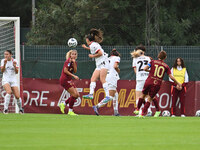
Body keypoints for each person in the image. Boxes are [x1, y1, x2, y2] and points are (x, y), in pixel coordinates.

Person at [137, 50, 182, 117]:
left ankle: (137, 109)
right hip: (157, 83)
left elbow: (145, 68)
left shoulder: (152, 62)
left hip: (149, 81)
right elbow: (171, 76)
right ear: (165, 58)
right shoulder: (166, 66)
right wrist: (178, 82)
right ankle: (142, 113)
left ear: (158, 56)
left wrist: (151, 71)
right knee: (149, 99)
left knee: (142, 95)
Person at [82, 28, 111, 102]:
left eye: (86, 39)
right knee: (93, 79)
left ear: (88, 40)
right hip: (99, 64)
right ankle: (91, 94)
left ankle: (108, 96)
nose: (86, 40)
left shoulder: (93, 45)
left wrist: (92, 56)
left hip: (104, 62)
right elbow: (94, 50)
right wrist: (86, 48)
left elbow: (100, 53)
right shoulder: (92, 45)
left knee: (102, 79)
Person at [131, 45, 160, 117]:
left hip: (140, 79)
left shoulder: (135, 59)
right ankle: (149, 111)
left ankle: (140, 112)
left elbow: (135, 70)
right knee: (148, 96)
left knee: (138, 97)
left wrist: (139, 75)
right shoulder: (148, 58)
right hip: (148, 79)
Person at [92, 49, 121, 116]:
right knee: (110, 96)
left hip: (106, 76)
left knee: (115, 94)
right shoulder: (117, 58)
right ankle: (97, 106)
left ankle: (116, 112)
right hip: (112, 77)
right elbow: (115, 66)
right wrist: (118, 70)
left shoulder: (107, 58)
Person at [1, 50, 23, 114]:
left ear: (11, 55)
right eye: (5, 54)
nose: (5, 56)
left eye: (7, 54)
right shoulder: (3, 61)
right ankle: (5, 109)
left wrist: (14, 66)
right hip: (6, 80)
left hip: (13, 80)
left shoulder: (15, 61)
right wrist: (5, 64)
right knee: (9, 92)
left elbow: (16, 72)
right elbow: (2, 71)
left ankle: (21, 109)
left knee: (17, 96)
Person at [58, 50, 80, 116]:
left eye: (75, 54)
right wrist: (74, 76)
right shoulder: (68, 61)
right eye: (72, 54)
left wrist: (74, 63)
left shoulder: (73, 62)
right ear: (70, 55)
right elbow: (65, 71)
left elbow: (75, 71)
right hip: (64, 80)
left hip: (69, 80)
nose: (74, 55)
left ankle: (63, 104)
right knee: (74, 95)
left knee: (77, 95)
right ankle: (70, 111)